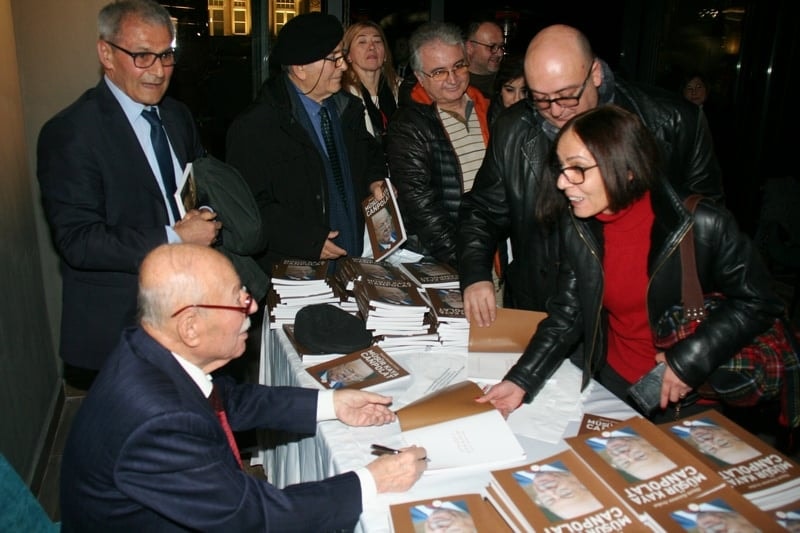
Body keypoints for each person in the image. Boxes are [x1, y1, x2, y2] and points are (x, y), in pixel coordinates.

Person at [59, 243, 427, 530]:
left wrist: (331, 404)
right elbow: (250, 518)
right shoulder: (156, 420)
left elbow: (225, 401)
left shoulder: (149, 348)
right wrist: (370, 481)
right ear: (190, 326)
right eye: (238, 299)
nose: (250, 308)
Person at [477, 105, 783, 421]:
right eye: (560, 167)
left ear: (627, 168)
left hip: (687, 398)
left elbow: (759, 302)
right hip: (610, 386)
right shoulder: (580, 225)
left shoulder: (702, 223)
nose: (562, 183)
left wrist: (688, 361)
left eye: (578, 168)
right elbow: (568, 314)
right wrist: (521, 380)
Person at [458, 24, 725, 328]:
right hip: (541, 306)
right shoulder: (514, 127)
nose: (555, 110)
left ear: (595, 74)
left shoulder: (670, 122)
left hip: (634, 317)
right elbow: (482, 210)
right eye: (541, 98)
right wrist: (476, 274)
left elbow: (704, 227)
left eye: (566, 96)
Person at [36, 0, 220, 386]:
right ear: (106, 53)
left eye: (166, 56)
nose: (157, 71)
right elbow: (78, 241)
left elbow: (198, 180)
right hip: (122, 325)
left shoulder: (177, 115)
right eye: (142, 56)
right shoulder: (71, 133)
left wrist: (203, 212)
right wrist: (174, 237)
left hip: (190, 310)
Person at [226, 13, 387, 277]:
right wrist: (306, 240)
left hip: (351, 262)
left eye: (342, 56)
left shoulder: (348, 110)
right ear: (300, 68)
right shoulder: (257, 127)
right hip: (297, 272)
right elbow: (248, 206)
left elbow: (371, 154)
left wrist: (374, 180)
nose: (344, 67)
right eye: (334, 59)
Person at [387, 21, 490, 266]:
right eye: (439, 72)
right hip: (442, 261)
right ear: (420, 78)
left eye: (458, 66)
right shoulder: (409, 125)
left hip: (491, 251)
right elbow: (421, 205)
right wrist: (466, 262)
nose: (453, 78)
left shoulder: (489, 109)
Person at [342, 20, 400, 151]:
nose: (372, 47)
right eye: (362, 42)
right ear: (348, 56)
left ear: (385, 54)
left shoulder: (403, 91)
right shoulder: (343, 97)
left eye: (378, 41)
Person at [514, 467, 602, 520]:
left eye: (549, 500)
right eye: (565, 493)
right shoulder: (594, 445)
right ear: (583, 483)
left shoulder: (515, 479)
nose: (548, 491)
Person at [465, 20, 505, 99]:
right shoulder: (455, 85)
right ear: (470, 47)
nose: (500, 53)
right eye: (492, 47)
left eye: (501, 46)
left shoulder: (508, 81)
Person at [487, 54, 528, 126]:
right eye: (509, 90)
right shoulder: (485, 115)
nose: (517, 99)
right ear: (500, 90)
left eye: (523, 91)